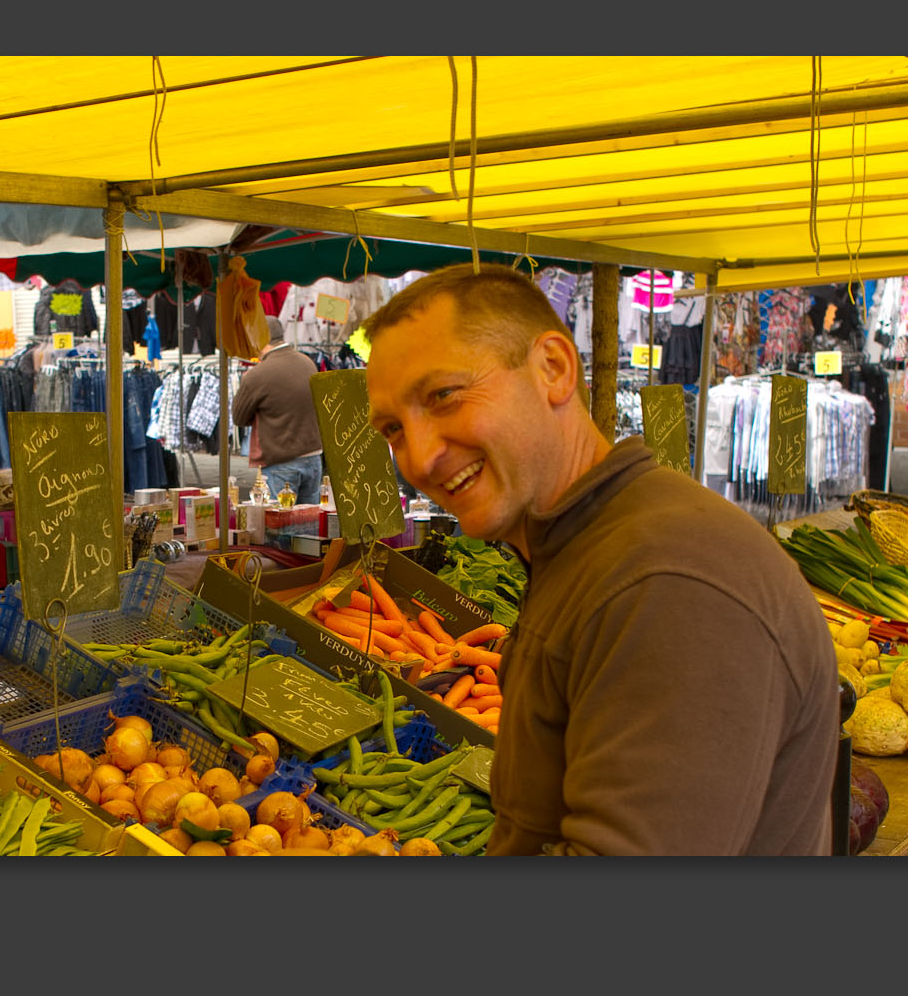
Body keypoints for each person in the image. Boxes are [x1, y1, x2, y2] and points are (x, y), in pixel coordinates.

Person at [364, 263, 837, 855]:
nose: (419, 457)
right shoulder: (585, 546)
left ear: (553, 370)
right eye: (391, 429)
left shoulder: (668, 583)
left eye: (444, 396)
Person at [232, 318, 326, 505]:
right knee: (309, 526)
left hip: (280, 461)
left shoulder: (257, 374)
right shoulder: (307, 363)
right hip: (313, 457)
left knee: (280, 528)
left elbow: (239, 417)